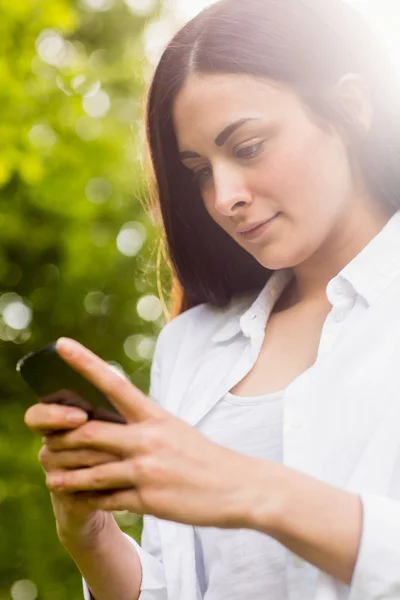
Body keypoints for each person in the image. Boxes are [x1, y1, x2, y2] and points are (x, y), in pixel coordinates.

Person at [24, 0, 400, 598]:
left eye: (248, 147)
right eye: (198, 169)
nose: (224, 197)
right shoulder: (191, 345)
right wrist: (93, 539)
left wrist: (253, 490)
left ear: (352, 107)